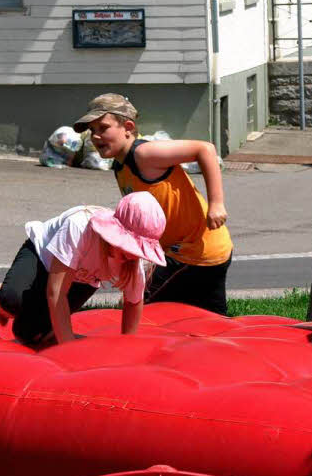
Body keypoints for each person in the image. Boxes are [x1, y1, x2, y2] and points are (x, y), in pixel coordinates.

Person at [73, 93, 233, 314]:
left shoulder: (144, 154)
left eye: (103, 128)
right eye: (92, 131)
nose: (96, 136)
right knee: (208, 321)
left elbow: (205, 149)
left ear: (127, 127)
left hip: (193, 251)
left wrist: (217, 203)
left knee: (138, 308)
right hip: (207, 248)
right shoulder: (121, 167)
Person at [0, 191, 166, 346]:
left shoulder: (132, 262)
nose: (132, 255)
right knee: (13, 300)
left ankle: (34, 324)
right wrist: (69, 347)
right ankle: (0, 296)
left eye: (138, 250)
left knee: (29, 334)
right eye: (130, 248)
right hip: (43, 257)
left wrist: (127, 344)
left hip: (83, 278)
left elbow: (133, 302)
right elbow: (57, 291)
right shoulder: (80, 227)